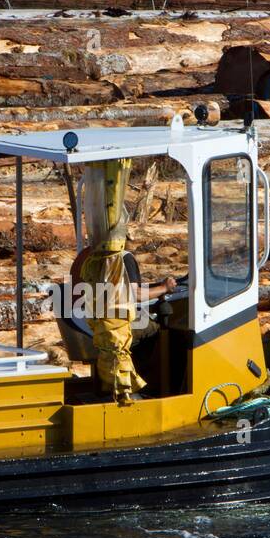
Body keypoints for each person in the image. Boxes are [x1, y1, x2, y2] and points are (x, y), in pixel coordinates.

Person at [79, 158, 176, 404]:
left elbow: (119, 291)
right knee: (157, 330)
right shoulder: (122, 259)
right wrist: (164, 288)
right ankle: (157, 384)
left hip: (98, 325)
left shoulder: (92, 258)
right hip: (114, 328)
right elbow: (134, 296)